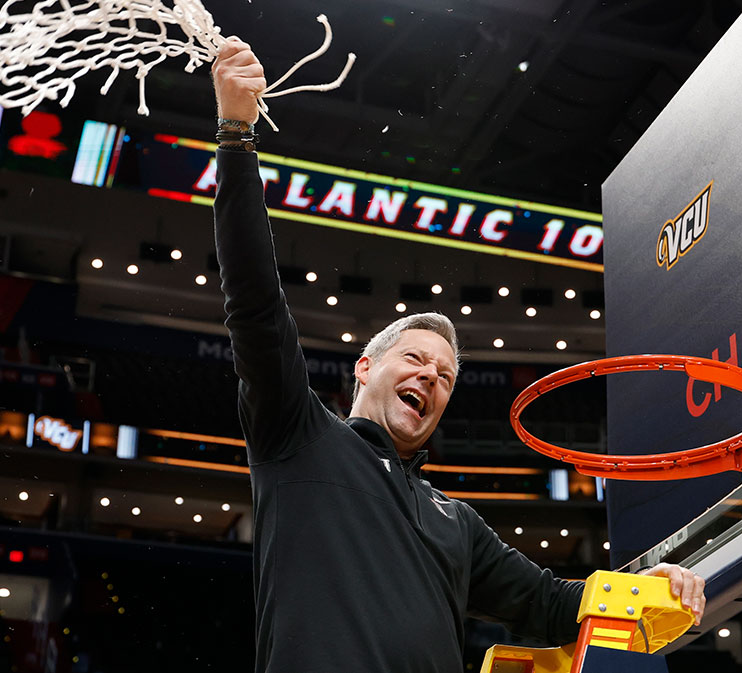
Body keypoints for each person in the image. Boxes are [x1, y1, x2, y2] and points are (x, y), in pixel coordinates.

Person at [210, 37, 706, 673]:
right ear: (365, 367)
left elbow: (553, 603)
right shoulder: (297, 435)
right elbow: (254, 299)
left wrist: (650, 586)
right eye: (416, 359)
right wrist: (235, 134)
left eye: (444, 377)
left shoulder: (457, 524)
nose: (431, 377)